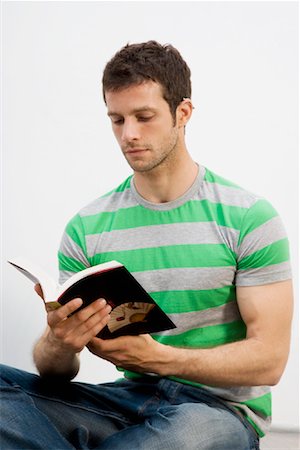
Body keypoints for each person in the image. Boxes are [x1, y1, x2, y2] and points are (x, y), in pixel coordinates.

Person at [1, 41, 293, 450]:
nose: (129, 134)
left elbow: (270, 361)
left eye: (144, 117)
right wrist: (58, 343)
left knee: (186, 434)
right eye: (117, 119)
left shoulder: (248, 218)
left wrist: (158, 358)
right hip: (124, 404)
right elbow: (58, 372)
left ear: (183, 113)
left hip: (216, 412)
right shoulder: (88, 228)